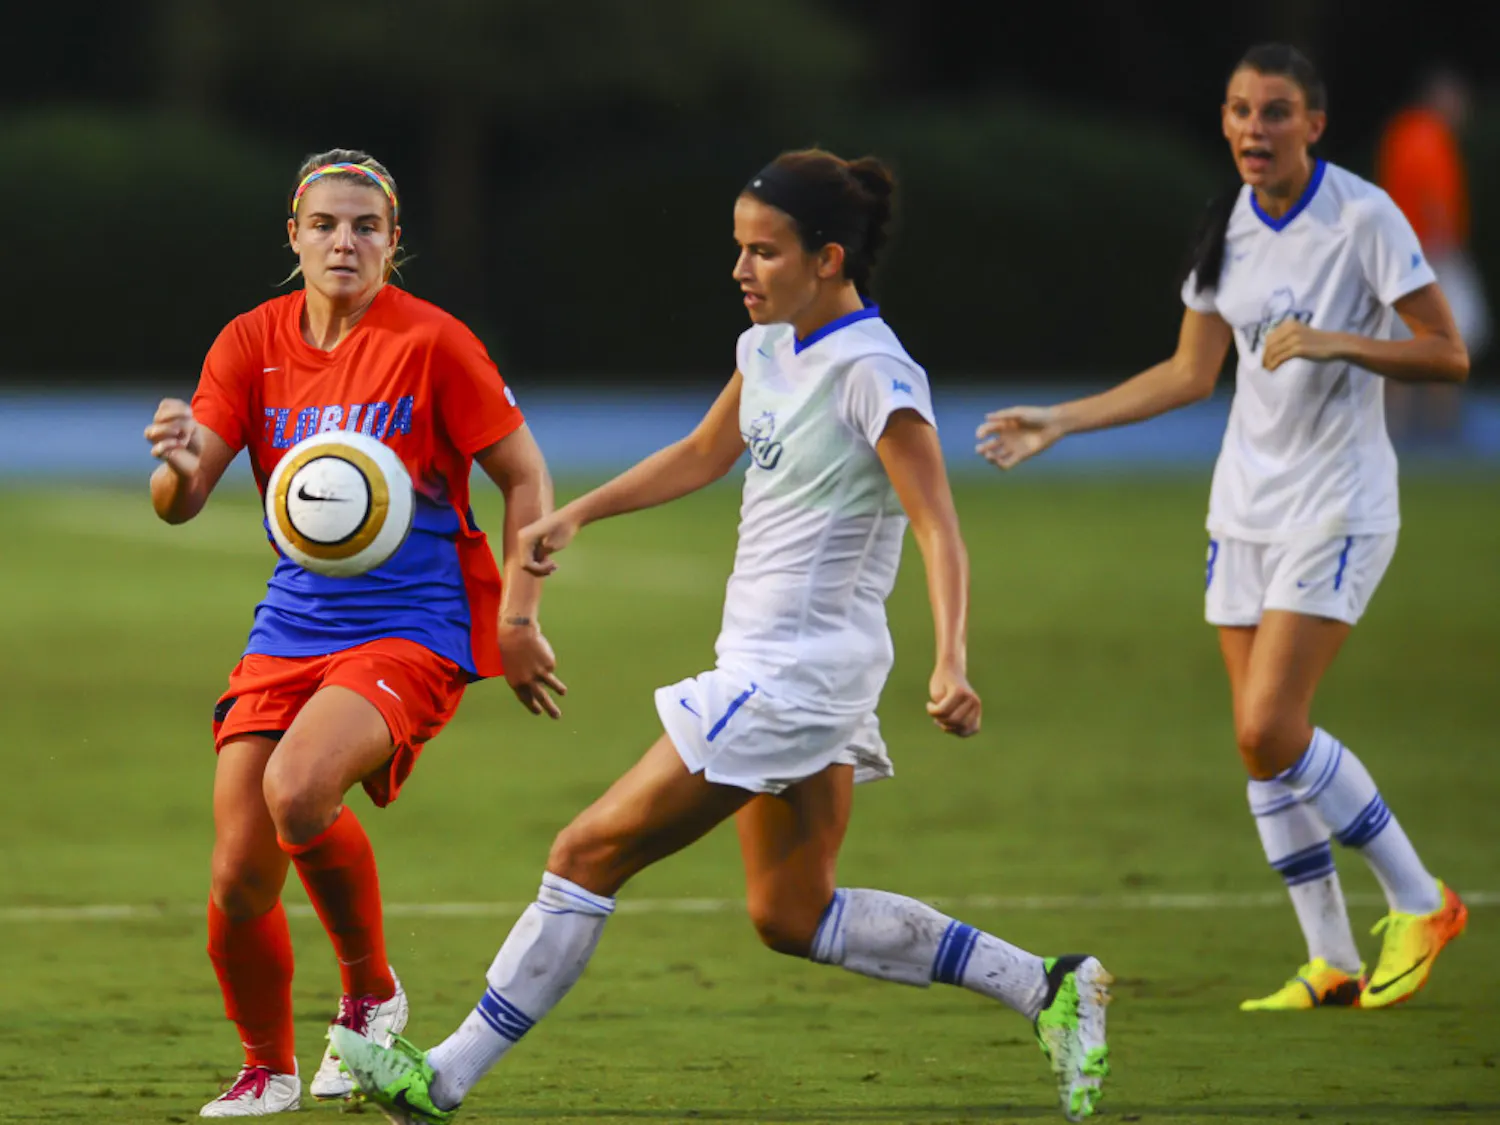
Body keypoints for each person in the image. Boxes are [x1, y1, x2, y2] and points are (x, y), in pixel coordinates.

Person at [331, 148, 1112, 1124]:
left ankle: (442, 1077)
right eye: (738, 250)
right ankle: (1051, 986)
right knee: (793, 914)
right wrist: (579, 515)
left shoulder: (874, 372)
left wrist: (952, 658)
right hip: (774, 669)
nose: (741, 271)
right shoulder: (767, 350)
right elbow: (704, 454)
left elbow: (937, 525)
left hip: (797, 674)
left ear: (828, 258)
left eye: (764, 252)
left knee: (584, 853)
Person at [976, 44, 1469, 1012]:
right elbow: (1189, 373)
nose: (1255, 128)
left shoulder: (1363, 217)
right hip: (1242, 506)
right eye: (1241, 110)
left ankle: (1423, 899)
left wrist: (1339, 341)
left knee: (1269, 723)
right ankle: (1329, 961)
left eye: (1277, 112)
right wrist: (1062, 419)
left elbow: (1447, 354)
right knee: (1259, 748)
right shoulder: (1229, 225)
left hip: (1337, 503)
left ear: (1314, 125)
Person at [144, 149, 565, 1117]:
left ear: (393, 243)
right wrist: (171, 463)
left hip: (414, 627)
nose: (345, 241)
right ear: (292, 237)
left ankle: (372, 996)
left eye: (365, 227)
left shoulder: (433, 343)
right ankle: (268, 1069)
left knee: (298, 791)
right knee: (238, 875)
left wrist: (520, 616)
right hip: (293, 624)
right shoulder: (249, 344)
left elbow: (526, 475)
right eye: (326, 224)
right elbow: (182, 500)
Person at [1377, 66, 1490, 444]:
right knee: (1452, 340)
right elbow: (1432, 199)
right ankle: (1442, 433)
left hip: (1402, 255)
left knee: (1407, 344)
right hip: (1431, 256)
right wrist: (1447, 248)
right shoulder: (1429, 136)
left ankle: (1397, 429)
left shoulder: (1402, 132)